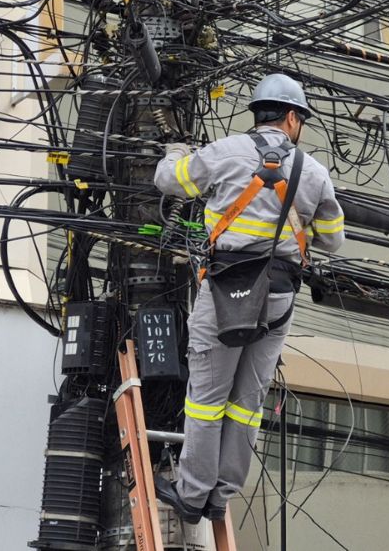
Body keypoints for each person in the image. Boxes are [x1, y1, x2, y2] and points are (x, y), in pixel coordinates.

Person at [151, 73, 345, 523]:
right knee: (247, 402)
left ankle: (192, 494)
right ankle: (220, 496)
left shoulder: (225, 152)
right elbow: (333, 240)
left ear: (259, 114)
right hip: (278, 294)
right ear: (292, 118)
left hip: (227, 289)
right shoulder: (314, 173)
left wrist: (176, 151)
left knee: (206, 397)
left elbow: (168, 180)